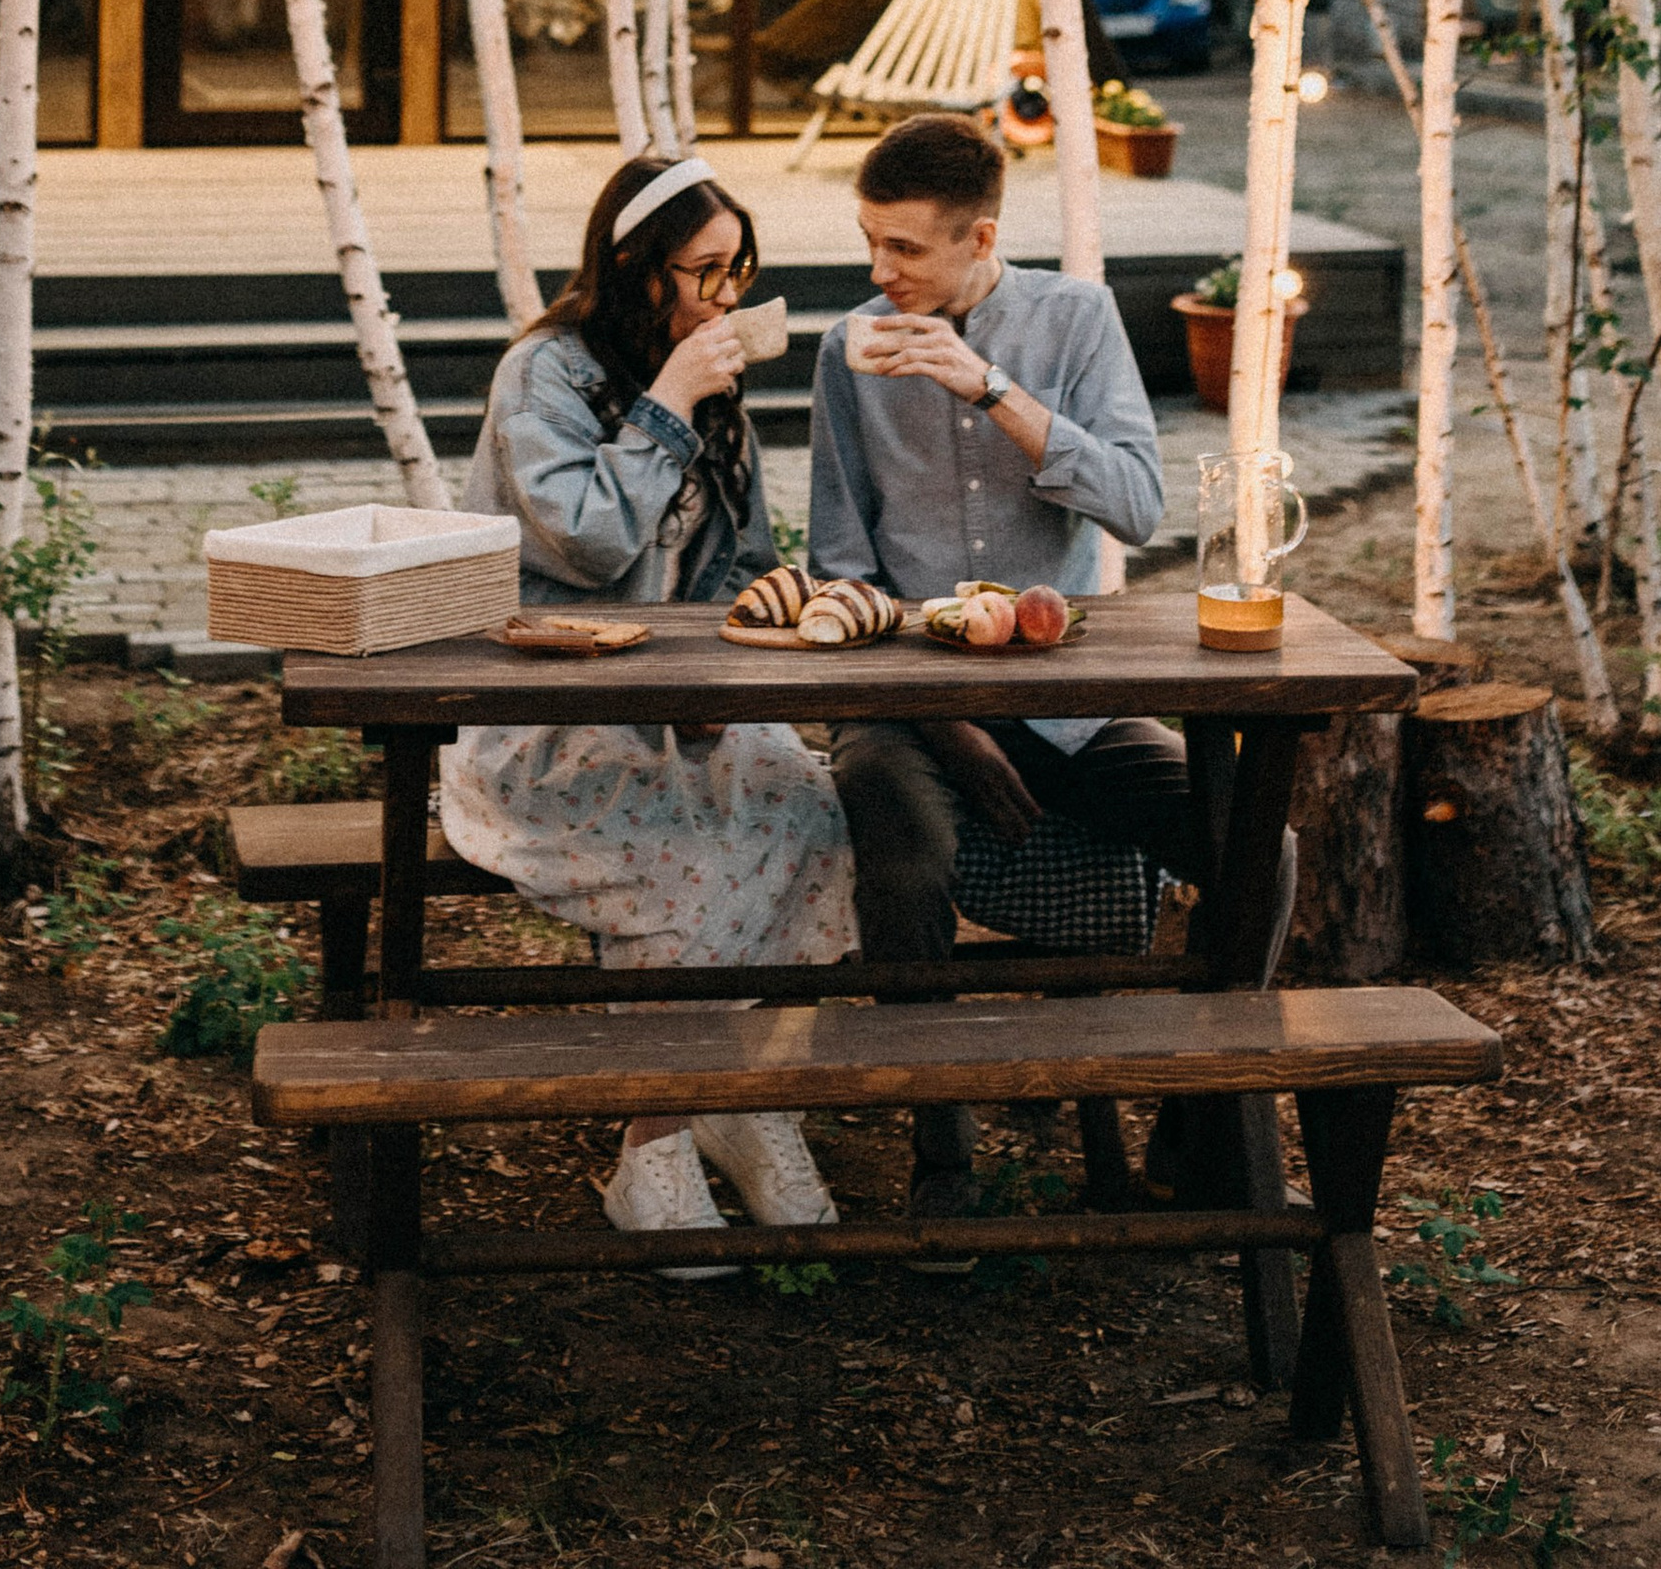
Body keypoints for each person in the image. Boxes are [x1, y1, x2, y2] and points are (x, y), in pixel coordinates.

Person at [810, 105, 1257, 1234]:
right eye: (871, 242)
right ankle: (941, 1151)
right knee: (892, 820)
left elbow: (1140, 506)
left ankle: (1197, 1126)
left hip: (1064, 699)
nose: (880, 271)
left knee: (1259, 842)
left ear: (981, 236)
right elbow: (840, 564)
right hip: (905, 704)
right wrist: (949, 714)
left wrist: (983, 386)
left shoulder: (1077, 317)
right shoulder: (845, 349)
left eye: (904, 248)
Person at [442, 150, 855, 1269]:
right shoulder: (545, 374)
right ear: (636, 269)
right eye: (704, 270)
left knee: (811, 816)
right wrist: (669, 401)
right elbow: (588, 540)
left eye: (740, 268)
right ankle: (656, 1138)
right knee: (683, 859)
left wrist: (759, 597)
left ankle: (740, 1095)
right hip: (543, 714)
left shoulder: (710, 380)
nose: (726, 295)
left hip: (684, 704)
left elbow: (741, 557)